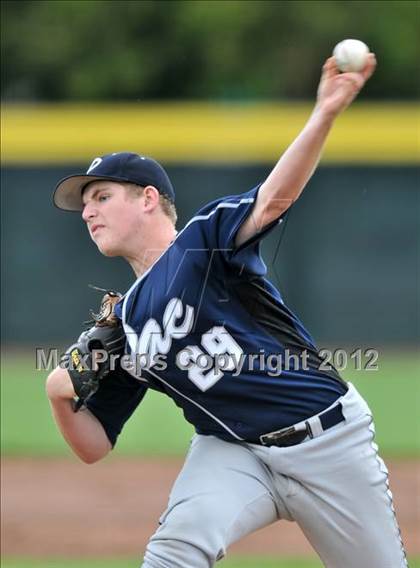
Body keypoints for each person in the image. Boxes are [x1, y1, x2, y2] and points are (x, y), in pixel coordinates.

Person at [46, 55, 407, 568]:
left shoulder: (202, 241)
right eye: (84, 204)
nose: (88, 211)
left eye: (101, 196)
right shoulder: (123, 324)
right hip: (232, 451)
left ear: (149, 199)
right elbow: (94, 447)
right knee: (172, 555)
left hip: (327, 442)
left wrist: (325, 112)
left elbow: (274, 199)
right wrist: (59, 398)